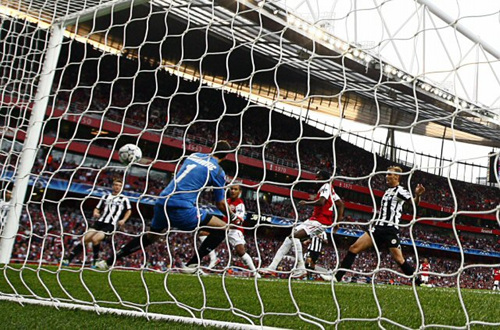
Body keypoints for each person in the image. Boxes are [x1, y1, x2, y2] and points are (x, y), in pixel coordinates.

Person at [96, 140, 238, 272]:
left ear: (211, 149)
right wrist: (233, 216)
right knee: (222, 229)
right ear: (225, 157)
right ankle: (192, 265)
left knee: (151, 237)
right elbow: (220, 203)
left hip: (162, 201)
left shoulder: (194, 155)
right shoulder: (219, 172)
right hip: (182, 207)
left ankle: (107, 261)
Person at [335, 166, 425, 284]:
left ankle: (418, 282)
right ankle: (337, 277)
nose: (386, 176)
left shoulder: (401, 191)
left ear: (397, 176)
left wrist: (418, 195)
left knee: (399, 259)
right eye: (386, 174)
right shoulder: (387, 191)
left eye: (389, 174)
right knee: (353, 248)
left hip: (390, 229)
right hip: (377, 228)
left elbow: (413, 203)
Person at [264, 170, 344, 277]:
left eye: (318, 177)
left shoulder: (325, 186)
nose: (316, 179)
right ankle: (272, 267)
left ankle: (301, 268)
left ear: (324, 178)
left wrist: (306, 203)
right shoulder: (331, 189)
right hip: (315, 220)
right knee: (290, 237)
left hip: (320, 221)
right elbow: (341, 204)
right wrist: (337, 222)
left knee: (294, 236)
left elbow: (321, 202)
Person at [64, 179, 132, 266]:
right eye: (115, 185)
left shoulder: (124, 199)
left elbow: (129, 211)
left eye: (119, 185)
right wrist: (95, 212)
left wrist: (123, 220)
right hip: (99, 222)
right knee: (85, 239)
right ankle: (68, 259)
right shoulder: (105, 196)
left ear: (121, 187)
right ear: (112, 186)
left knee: (95, 239)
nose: (117, 187)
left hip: (111, 224)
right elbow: (97, 207)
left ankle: (95, 259)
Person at [221, 184, 260, 277]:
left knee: (240, 251)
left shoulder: (240, 204)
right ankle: (213, 259)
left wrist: (233, 223)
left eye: (235, 189)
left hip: (235, 230)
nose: (233, 191)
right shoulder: (226, 201)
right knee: (203, 233)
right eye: (231, 189)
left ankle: (255, 272)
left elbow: (239, 221)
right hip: (223, 228)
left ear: (239, 192)